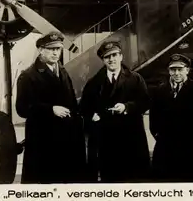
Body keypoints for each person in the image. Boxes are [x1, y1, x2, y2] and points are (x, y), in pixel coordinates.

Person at [15, 31, 88, 184]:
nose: (56, 53)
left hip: (65, 139)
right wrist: (50, 109)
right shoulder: (28, 75)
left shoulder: (62, 71)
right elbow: (22, 108)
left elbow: (71, 102)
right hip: (43, 141)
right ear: (41, 50)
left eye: (58, 49)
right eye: (51, 49)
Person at [79, 40, 151, 183]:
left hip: (131, 138)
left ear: (121, 56)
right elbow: (83, 108)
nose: (111, 59)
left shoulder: (135, 79)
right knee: (110, 179)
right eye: (107, 57)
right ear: (103, 60)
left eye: (114, 55)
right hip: (106, 140)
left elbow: (145, 102)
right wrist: (92, 116)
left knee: (132, 179)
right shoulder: (94, 82)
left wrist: (126, 107)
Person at [149, 53, 193, 182]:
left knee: (187, 181)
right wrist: (158, 135)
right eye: (173, 69)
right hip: (165, 145)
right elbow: (153, 118)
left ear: (187, 70)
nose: (176, 73)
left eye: (180, 69)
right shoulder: (160, 91)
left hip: (188, 146)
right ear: (168, 71)